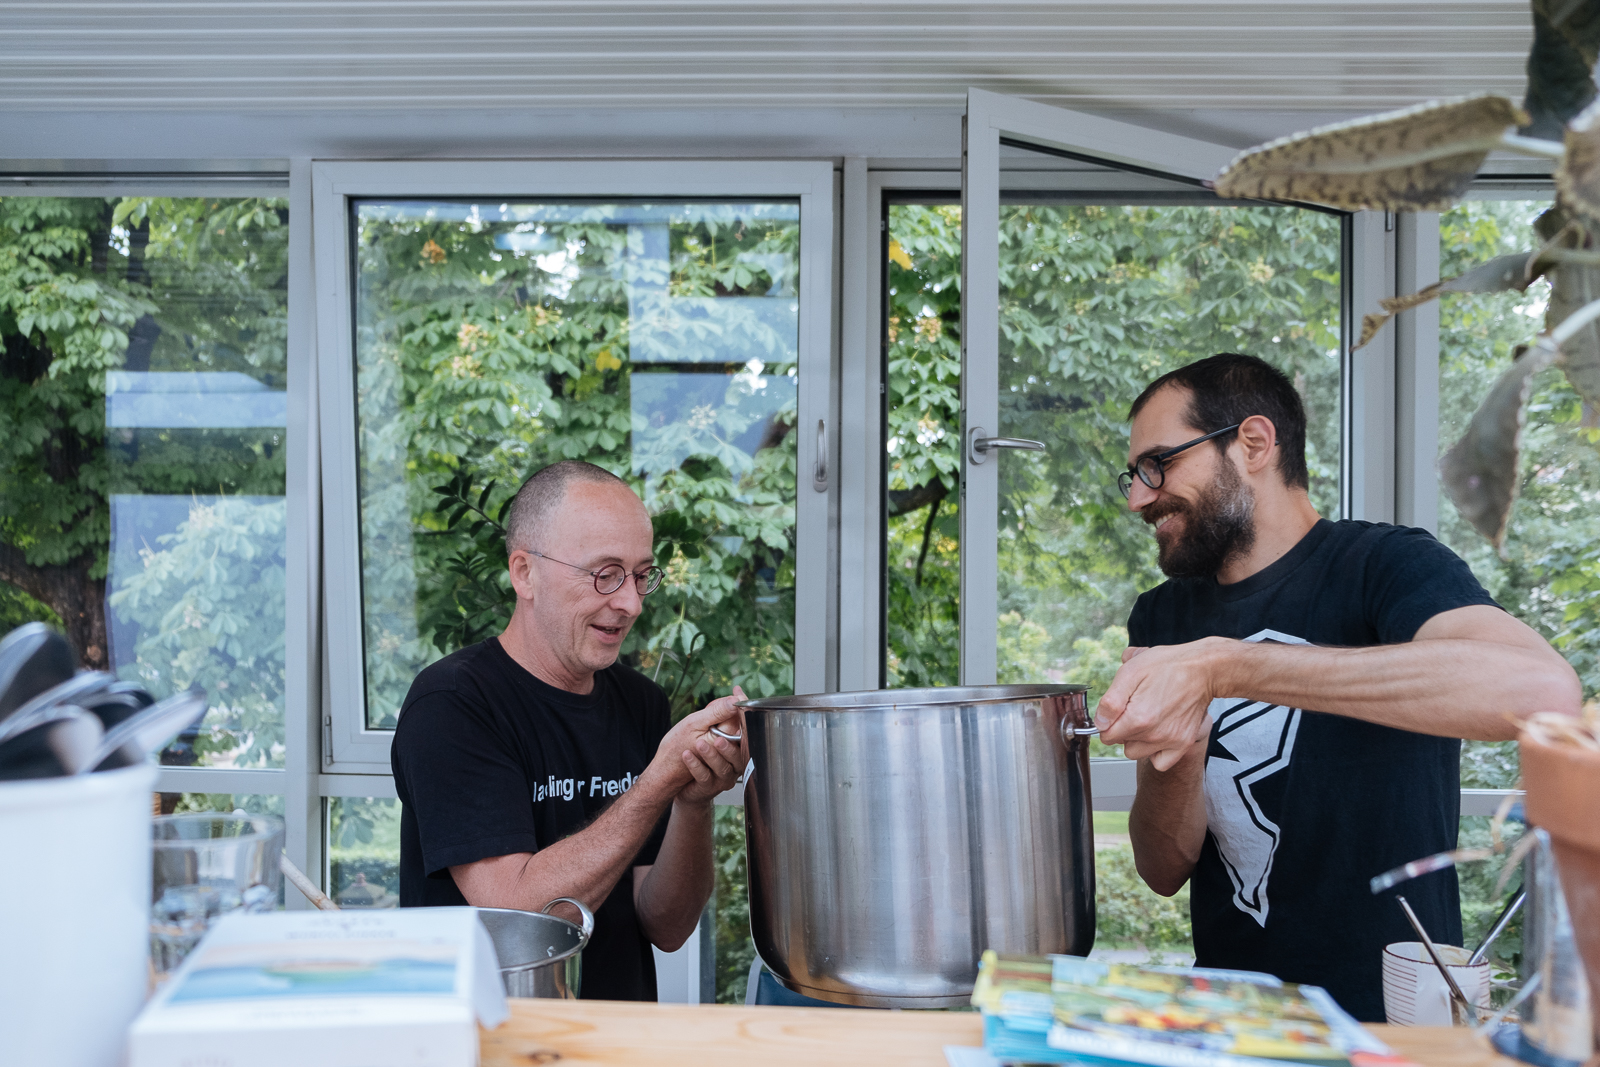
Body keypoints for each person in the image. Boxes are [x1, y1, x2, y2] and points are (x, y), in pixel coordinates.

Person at [1097, 353, 1580, 1021]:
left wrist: (1226, 666)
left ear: (1253, 443)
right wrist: (1179, 752)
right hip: (1235, 1020)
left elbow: (1542, 691)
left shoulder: (1388, 565)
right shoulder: (1162, 616)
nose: (1138, 498)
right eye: (1134, 475)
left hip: (1397, 1025)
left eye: (1159, 464)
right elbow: (1161, 868)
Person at [391, 460, 748, 1001]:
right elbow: (517, 917)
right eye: (605, 574)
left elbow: (667, 926)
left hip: (618, 1033)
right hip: (492, 1033)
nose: (629, 602)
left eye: (641, 575)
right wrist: (656, 782)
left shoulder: (640, 703)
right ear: (525, 573)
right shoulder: (453, 704)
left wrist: (692, 803)